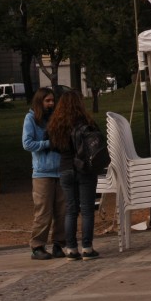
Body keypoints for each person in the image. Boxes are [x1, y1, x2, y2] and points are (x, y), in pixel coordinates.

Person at [47, 90, 101, 260]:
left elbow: (53, 146)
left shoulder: (56, 124)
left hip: (65, 168)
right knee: (86, 209)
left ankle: (71, 248)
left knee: (70, 210)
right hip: (84, 168)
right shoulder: (86, 122)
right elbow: (98, 142)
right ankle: (87, 247)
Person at [22, 87, 65, 260]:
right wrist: (48, 144)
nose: (51, 104)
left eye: (52, 101)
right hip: (42, 172)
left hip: (60, 171)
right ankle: (38, 245)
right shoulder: (31, 118)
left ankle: (58, 244)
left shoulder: (56, 118)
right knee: (43, 211)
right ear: (40, 102)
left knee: (62, 211)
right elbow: (27, 143)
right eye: (47, 101)